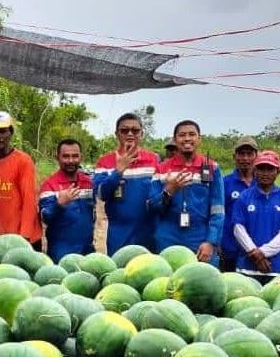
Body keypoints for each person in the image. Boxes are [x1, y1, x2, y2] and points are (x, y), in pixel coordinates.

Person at [148, 119, 224, 263]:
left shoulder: (212, 168)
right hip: (168, 236)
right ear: (175, 139)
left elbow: (218, 209)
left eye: (192, 134)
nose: (187, 138)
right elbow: (152, 207)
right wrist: (169, 191)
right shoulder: (162, 169)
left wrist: (211, 241)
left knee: (203, 275)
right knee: (167, 275)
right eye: (182, 135)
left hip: (201, 237)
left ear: (199, 138)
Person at [93, 112, 160, 254]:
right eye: (124, 130)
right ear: (117, 134)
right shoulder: (104, 162)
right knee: (119, 267)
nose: (130, 134)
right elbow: (101, 194)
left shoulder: (153, 160)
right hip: (119, 234)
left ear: (141, 134)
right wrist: (118, 171)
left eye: (135, 130)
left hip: (149, 232)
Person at [0, 110, 41, 246]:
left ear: (10, 132)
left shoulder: (23, 161)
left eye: (2, 131)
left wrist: (24, 239)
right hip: (2, 240)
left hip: (25, 239)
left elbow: (29, 202)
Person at [230, 150, 280, 280]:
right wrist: (255, 254)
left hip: (277, 268)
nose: (265, 173)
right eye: (261, 168)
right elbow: (238, 229)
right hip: (247, 268)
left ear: (278, 171)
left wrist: (263, 252)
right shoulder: (244, 197)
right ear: (255, 170)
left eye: (270, 169)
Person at [38, 139, 95, 261]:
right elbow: (45, 217)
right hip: (61, 253)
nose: (70, 161)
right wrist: (59, 204)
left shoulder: (88, 183)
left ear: (81, 157)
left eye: (75, 156)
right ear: (57, 158)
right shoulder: (49, 185)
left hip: (87, 251)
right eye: (65, 156)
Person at [219, 137, 258, 271]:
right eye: (241, 154)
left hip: (256, 250)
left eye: (249, 154)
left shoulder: (263, 183)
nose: (245, 158)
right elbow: (218, 214)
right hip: (230, 248)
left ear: (256, 156)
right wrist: (217, 242)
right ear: (234, 156)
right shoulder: (225, 183)